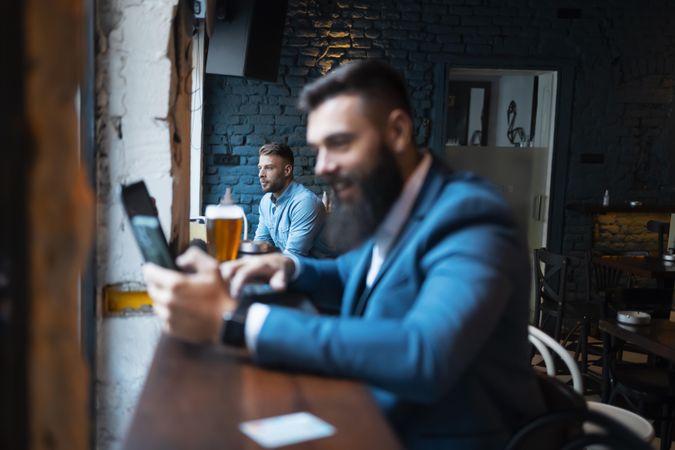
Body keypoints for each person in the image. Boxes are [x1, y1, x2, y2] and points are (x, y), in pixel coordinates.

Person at [144, 60, 545, 449]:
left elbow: (424, 355)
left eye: (339, 143)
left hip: (436, 435)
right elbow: (357, 274)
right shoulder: (395, 202)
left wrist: (235, 321)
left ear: (398, 132)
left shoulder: (471, 214)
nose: (322, 167)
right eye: (318, 149)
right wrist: (289, 264)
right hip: (374, 411)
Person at [254, 142, 332, 258]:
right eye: (260, 168)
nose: (261, 174)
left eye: (269, 168)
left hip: (318, 273)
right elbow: (260, 244)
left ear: (287, 170)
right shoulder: (266, 202)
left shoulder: (305, 202)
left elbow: (294, 256)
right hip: (289, 269)